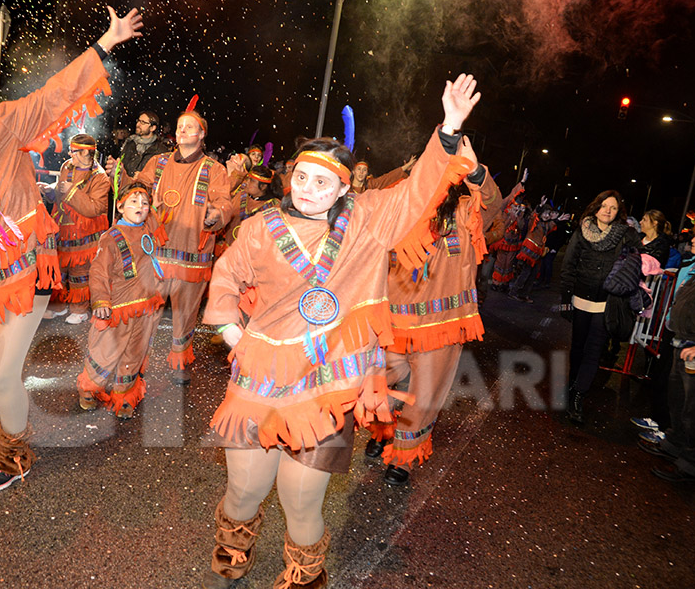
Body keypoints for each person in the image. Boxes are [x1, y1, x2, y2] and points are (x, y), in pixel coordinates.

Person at [199, 74, 480, 589]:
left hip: (329, 384)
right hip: (260, 376)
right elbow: (226, 275)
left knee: (300, 498)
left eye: (322, 182)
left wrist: (449, 130)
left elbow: (418, 191)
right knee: (244, 489)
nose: (308, 190)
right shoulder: (261, 226)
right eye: (302, 178)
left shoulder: (370, 220)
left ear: (344, 186)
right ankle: (232, 552)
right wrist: (229, 330)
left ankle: (305, 576)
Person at [0, 7, 143, 493]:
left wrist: (105, 41)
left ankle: (14, 449)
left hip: (27, 266)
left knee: (1, 374)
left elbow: (56, 91)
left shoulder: (6, 123)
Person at [367, 140, 507, 486]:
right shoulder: (399, 203)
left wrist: (476, 171)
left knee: (424, 396)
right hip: (393, 322)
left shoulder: (464, 212)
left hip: (441, 327)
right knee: (378, 383)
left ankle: (403, 457)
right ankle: (381, 431)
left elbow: (492, 204)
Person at [133, 108, 232, 383]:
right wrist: (128, 185)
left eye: (189, 127)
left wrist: (217, 214)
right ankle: (134, 364)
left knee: (185, 314)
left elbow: (225, 202)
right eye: (179, 127)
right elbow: (139, 186)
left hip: (192, 253)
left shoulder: (214, 169)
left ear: (202, 134)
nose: (182, 131)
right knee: (145, 310)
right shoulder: (158, 162)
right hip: (156, 251)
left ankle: (180, 359)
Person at [76, 182, 164, 416]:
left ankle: (124, 395)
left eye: (145, 204)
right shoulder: (111, 237)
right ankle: (89, 389)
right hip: (117, 310)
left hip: (144, 308)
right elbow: (98, 272)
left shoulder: (147, 230)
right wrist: (101, 301)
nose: (140, 207)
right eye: (134, 202)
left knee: (135, 353)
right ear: (120, 206)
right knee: (105, 352)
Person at [640, 219, 695, 482]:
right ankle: (674, 446)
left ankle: (690, 465)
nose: (692, 240)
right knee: (679, 401)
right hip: (683, 345)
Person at [559, 190, 640, 424]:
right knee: (577, 348)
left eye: (613, 208)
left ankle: (577, 396)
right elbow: (569, 267)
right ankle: (573, 383)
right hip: (580, 300)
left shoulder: (626, 235)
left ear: (619, 212)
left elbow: (641, 258)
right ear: (596, 207)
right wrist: (565, 301)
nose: (608, 211)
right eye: (604, 206)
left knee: (594, 350)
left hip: (607, 304)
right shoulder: (581, 232)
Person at [40, 134, 110, 324]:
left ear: (87, 152)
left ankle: (80, 309)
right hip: (63, 230)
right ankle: (58, 306)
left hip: (85, 236)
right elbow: (60, 193)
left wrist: (72, 191)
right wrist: (50, 191)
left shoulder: (100, 177)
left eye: (74, 151)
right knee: (59, 271)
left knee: (80, 272)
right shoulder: (66, 167)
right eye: (70, 150)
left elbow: (95, 208)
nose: (70, 154)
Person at [104, 110, 169, 201]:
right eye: (138, 121)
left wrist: (141, 178)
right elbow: (122, 164)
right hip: (125, 194)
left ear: (152, 128)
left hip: (145, 199)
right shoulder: (130, 143)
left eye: (143, 122)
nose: (138, 124)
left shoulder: (161, 151)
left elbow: (163, 180)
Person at [349, 154, 418, 194]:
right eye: (359, 169)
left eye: (364, 170)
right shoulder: (346, 188)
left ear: (367, 173)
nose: (361, 172)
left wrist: (407, 166)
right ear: (353, 171)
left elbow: (388, 178)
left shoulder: (370, 185)